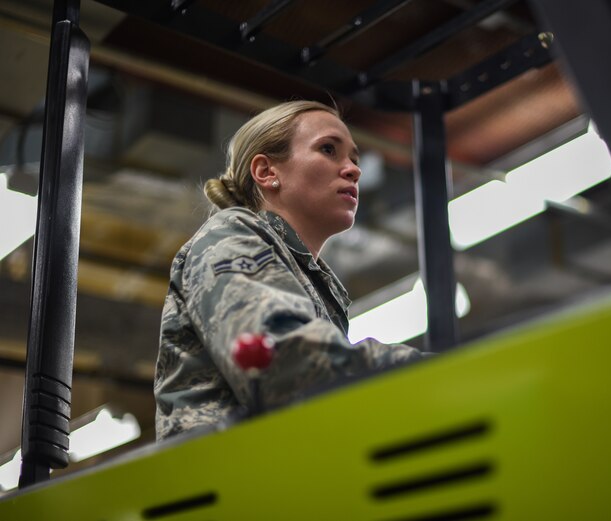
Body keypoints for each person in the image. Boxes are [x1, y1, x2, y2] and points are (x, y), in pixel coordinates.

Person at [154, 100, 425, 440]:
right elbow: (284, 363)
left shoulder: (310, 276)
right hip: (229, 478)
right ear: (267, 172)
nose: (354, 169)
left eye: (354, 159)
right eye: (329, 149)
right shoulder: (232, 235)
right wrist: (436, 368)